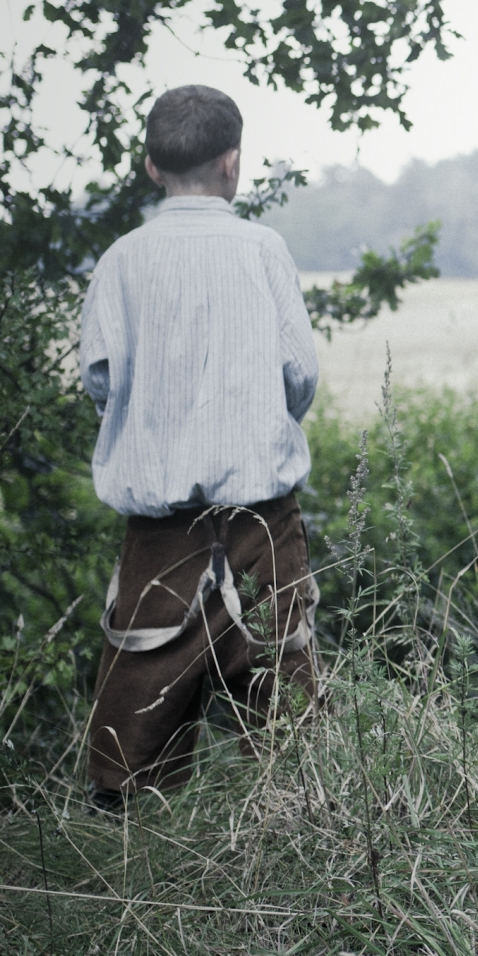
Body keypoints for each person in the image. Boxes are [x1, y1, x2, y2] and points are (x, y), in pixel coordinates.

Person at [77, 84, 319, 803]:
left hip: (158, 531)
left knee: (131, 744)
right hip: (262, 522)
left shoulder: (122, 259)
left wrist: (153, 419)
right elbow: (298, 374)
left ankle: (128, 863)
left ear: (152, 167)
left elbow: (99, 379)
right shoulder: (263, 250)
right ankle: (301, 851)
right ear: (232, 162)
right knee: (292, 727)